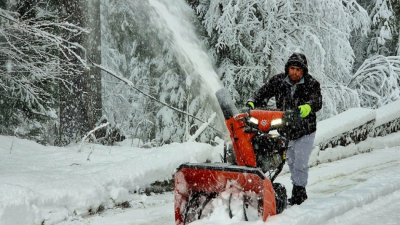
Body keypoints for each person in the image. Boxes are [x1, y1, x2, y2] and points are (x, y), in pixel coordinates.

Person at [246, 52, 322, 205]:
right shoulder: (279, 81)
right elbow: (263, 92)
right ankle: (296, 186)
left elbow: (317, 100)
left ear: (303, 71)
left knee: (300, 162)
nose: (295, 72)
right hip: (286, 129)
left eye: (298, 70)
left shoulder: (311, 84)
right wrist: (252, 102)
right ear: (288, 69)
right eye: (292, 68)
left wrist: (307, 107)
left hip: (305, 130)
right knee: (291, 161)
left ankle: (299, 193)